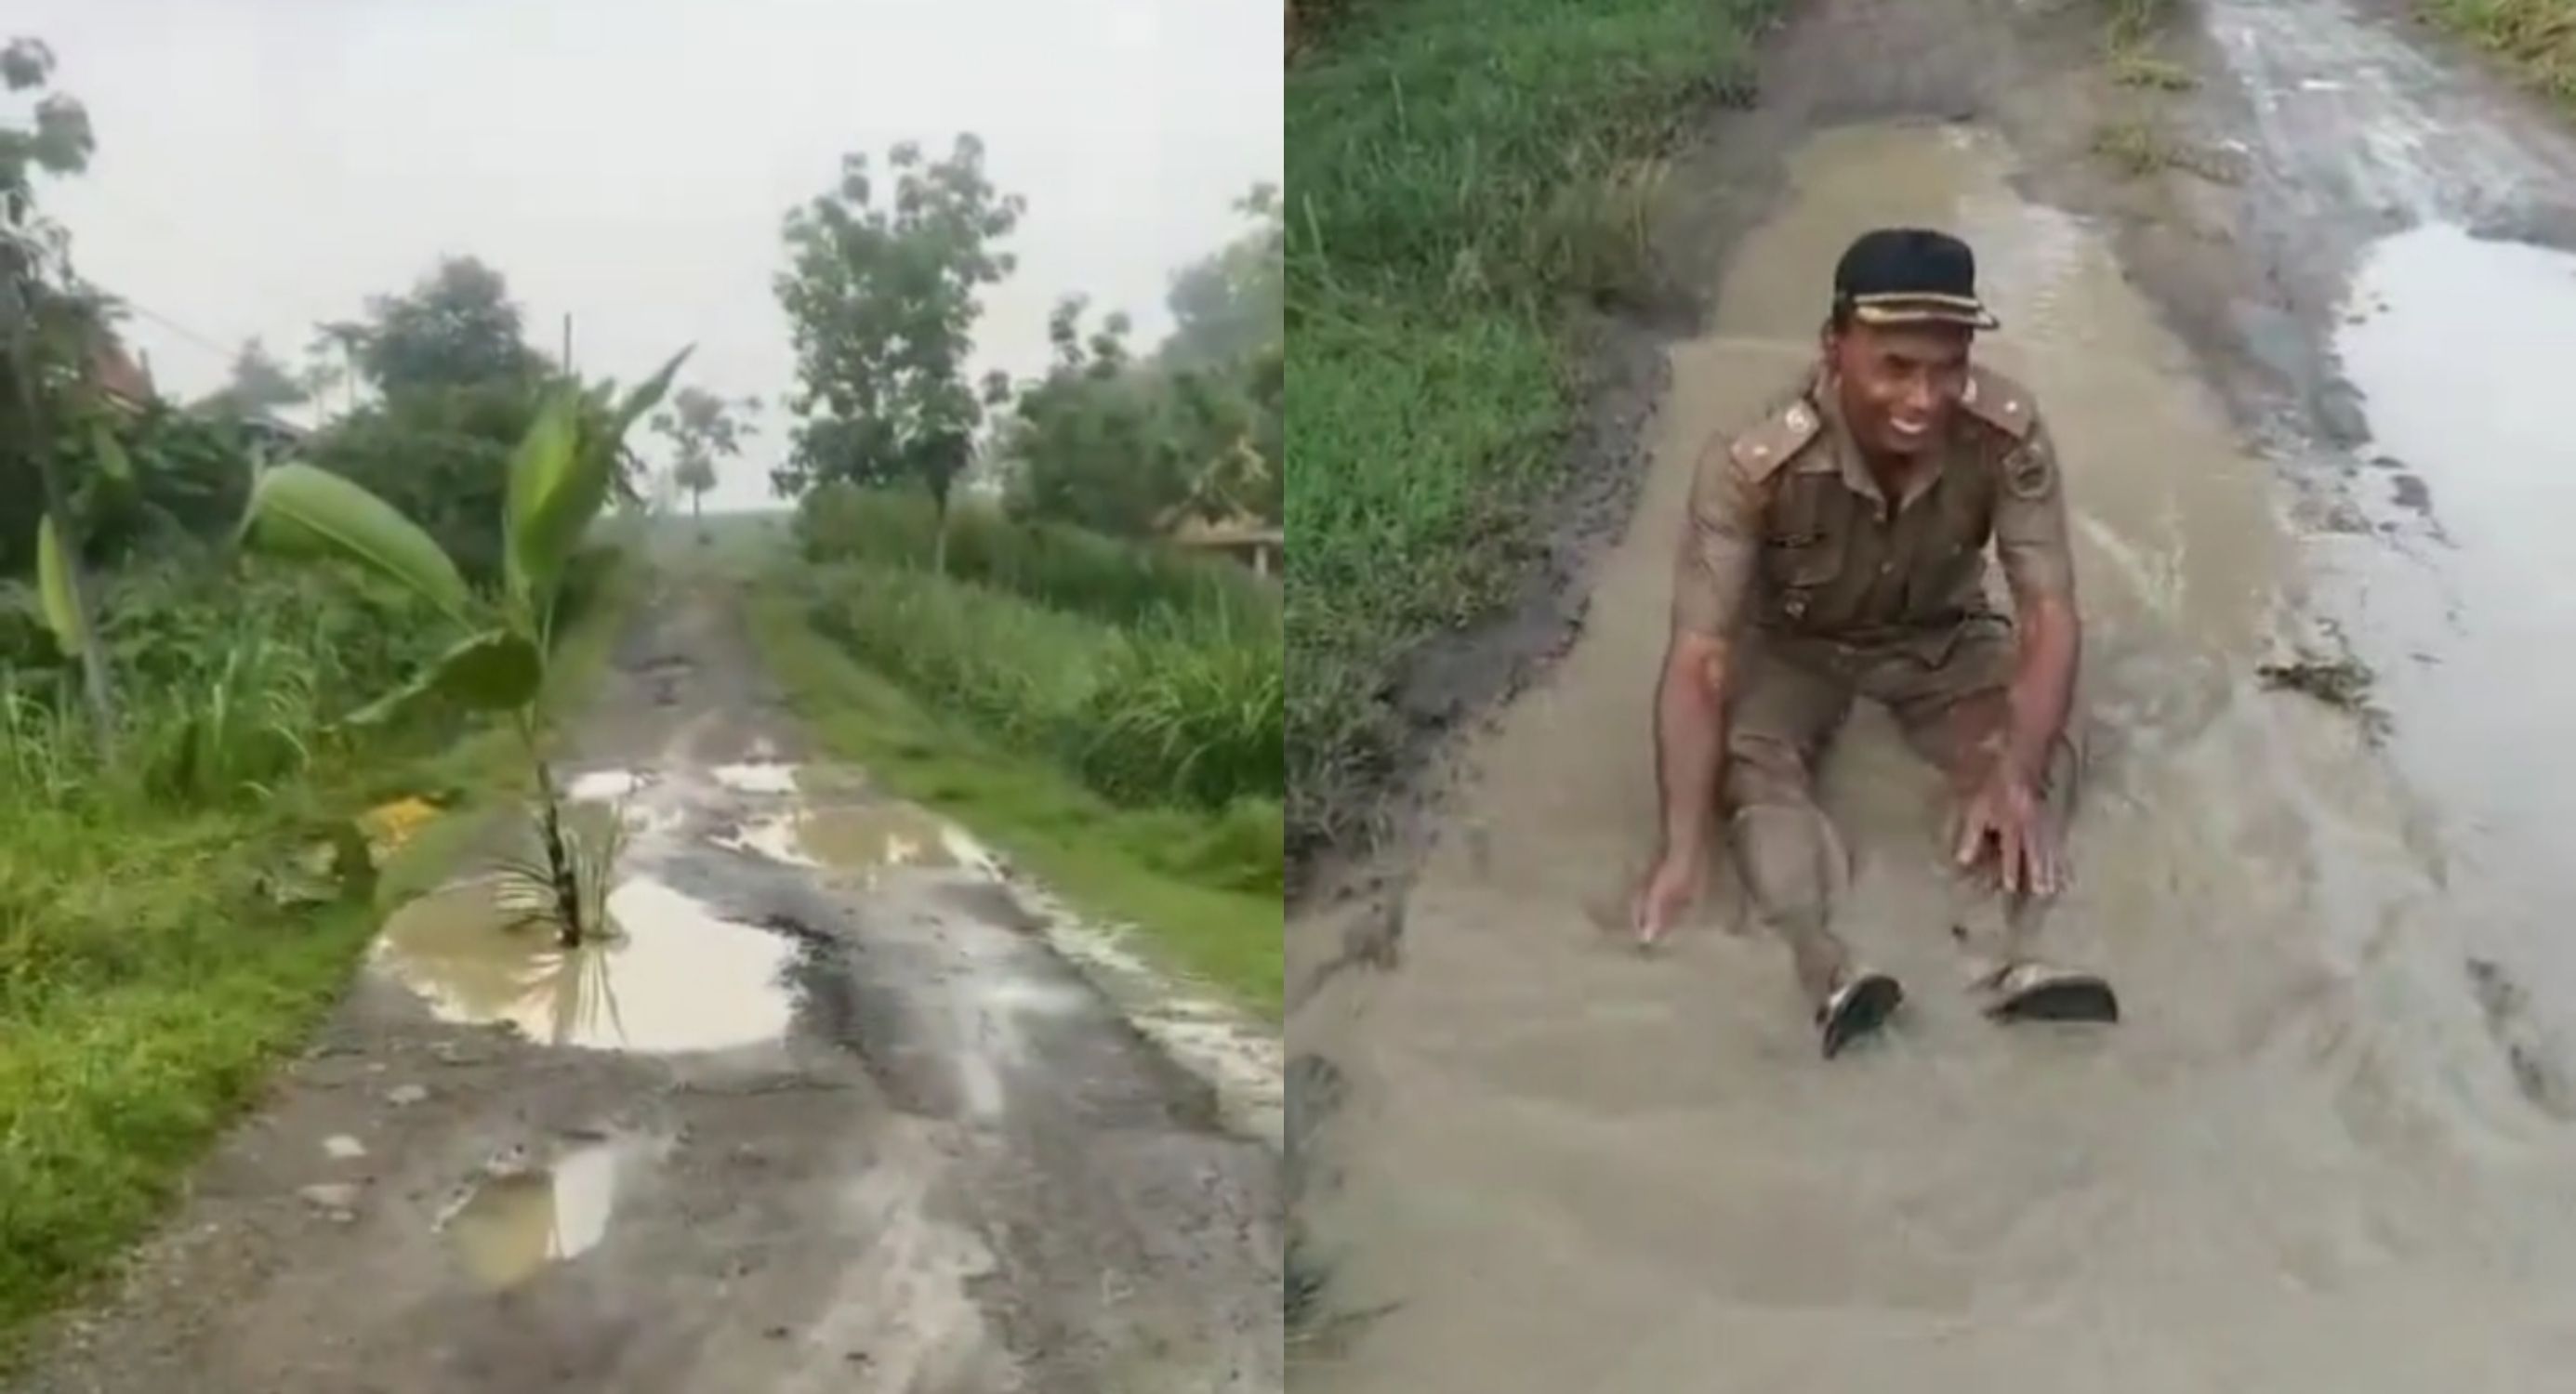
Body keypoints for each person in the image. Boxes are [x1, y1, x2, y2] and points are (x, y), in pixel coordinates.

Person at [1630, 226, 2118, 1059]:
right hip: (1795, 647)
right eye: (1894, 366)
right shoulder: (1751, 462)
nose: (1924, 398)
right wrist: (1680, 851)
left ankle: (2013, 951)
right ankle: (1824, 965)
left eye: (1946, 367)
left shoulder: (2006, 433)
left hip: (1939, 636)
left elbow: (2048, 617)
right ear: (1834, 347)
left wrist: (2016, 774)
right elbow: (1700, 660)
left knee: (2039, 743)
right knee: (1750, 771)